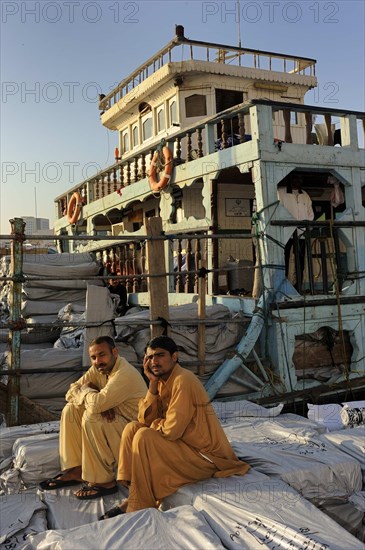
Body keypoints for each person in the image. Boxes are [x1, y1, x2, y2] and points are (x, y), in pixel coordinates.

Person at [100, 336, 250, 518]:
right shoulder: (162, 381)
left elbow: (172, 430)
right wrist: (152, 384)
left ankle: (139, 504)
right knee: (132, 428)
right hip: (184, 448)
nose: (154, 361)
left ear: (175, 356)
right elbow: (143, 419)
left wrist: (155, 425)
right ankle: (136, 495)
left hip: (205, 458)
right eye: (149, 357)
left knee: (143, 436)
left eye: (160, 355)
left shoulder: (183, 380)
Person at [39, 336, 146, 499]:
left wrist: (89, 390)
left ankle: (104, 481)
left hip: (133, 435)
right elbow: (71, 391)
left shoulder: (124, 373)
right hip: (116, 425)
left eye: (102, 355)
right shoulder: (98, 369)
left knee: (92, 416)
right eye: (93, 357)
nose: (97, 361)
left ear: (115, 352)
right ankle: (77, 469)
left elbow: (96, 405)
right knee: (71, 410)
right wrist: (94, 395)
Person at [278, 174, 314, 291]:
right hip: (285, 232)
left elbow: (310, 214)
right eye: (294, 178)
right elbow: (278, 210)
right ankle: (283, 286)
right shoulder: (281, 192)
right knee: (284, 259)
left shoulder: (305, 195)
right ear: (289, 179)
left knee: (301, 260)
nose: (297, 181)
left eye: (299, 178)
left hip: (301, 233)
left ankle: (298, 286)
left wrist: (306, 227)